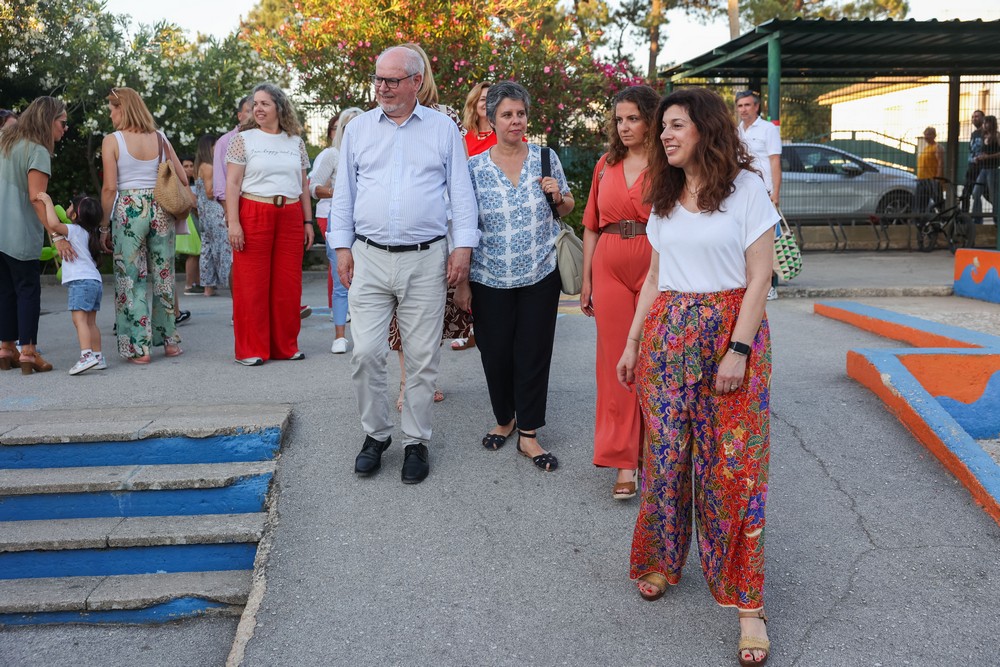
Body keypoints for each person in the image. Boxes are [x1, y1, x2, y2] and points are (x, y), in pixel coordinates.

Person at [616, 87, 777, 666]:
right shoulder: (662, 196)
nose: (664, 135)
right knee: (667, 456)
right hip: (668, 337)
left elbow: (762, 276)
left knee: (734, 469)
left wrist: (737, 349)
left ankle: (748, 607)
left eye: (675, 125)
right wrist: (634, 341)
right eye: (663, 128)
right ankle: (661, 558)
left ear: (706, 129)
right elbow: (656, 278)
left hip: (730, 335)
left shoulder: (746, 190)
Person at [330, 45, 479, 485]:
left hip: (426, 258)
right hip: (369, 257)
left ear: (416, 81)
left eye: (392, 80)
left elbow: (461, 193)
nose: (382, 87)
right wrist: (341, 248)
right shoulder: (357, 129)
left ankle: (416, 441)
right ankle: (376, 436)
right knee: (365, 352)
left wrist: (463, 248)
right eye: (377, 79)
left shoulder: (442, 128)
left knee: (420, 358)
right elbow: (344, 195)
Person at [460, 80, 573, 472]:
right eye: (507, 114)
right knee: (495, 354)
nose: (515, 121)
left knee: (534, 353)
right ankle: (504, 417)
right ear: (491, 119)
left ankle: (528, 432)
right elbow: (462, 225)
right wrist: (460, 283)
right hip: (488, 276)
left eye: (520, 113)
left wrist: (559, 194)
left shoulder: (545, 158)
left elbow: (567, 207)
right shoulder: (472, 168)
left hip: (540, 273)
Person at [384, 42, 474, 406]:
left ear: (418, 77)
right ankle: (408, 380)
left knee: (432, 313)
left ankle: (426, 376)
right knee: (399, 315)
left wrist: (461, 240)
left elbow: (458, 179)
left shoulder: (446, 117)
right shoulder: (384, 116)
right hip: (392, 235)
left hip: (439, 230)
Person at [580, 85, 658, 499]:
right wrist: (587, 279)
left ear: (650, 120)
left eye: (633, 118)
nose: (624, 127)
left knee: (652, 358)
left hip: (655, 265)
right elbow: (591, 223)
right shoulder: (605, 164)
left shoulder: (668, 165)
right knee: (615, 364)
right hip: (608, 263)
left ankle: (654, 450)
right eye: (620, 119)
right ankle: (623, 461)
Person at [225, 82, 314, 366]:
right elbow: (232, 183)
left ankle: (285, 346)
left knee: (288, 284)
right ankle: (251, 349)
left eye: (265, 103)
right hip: (254, 210)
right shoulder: (244, 139)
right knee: (251, 284)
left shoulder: (295, 142)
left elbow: (303, 185)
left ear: (279, 107)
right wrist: (233, 223)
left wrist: (308, 222)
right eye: (255, 104)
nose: (258, 108)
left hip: (289, 214)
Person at [100, 87, 185, 364]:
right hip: (161, 207)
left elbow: (110, 187)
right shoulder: (160, 138)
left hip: (129, 210)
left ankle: (140, 349)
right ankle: (170, 342)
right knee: (164, 276)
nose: (110, 114)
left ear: (122, 108)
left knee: (131, 279)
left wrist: (104, 225)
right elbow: (182, 176)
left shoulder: (112, 141)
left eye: (112, 108)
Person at [0, 96, 71, 374]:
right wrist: (56, 235)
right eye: (62, 123)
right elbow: (37, 198)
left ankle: (6, 348)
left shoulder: (6, 141)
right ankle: (28, 351)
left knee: (4, 291)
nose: (64, 129)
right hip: (19, 234)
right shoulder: (37, 150)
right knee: (28, 290)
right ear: (48, 120)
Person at [35, 192, 107, 375]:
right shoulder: (90, 233)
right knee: (91, 322)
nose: (66, 208)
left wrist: (48, 201)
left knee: (79, 320)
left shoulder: (73, 230)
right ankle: (98, 357)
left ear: (75, 215)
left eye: (70, 206)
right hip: (94, 281)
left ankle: (86, 356)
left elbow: (53, 224)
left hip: (81, 282)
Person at [312, 108, 363, 354]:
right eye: (347, 126)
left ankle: (367, 336)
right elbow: (313, 187)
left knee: (369, 281)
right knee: (341, 277)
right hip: (339, 216)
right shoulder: (333, 154)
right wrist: (340, 192)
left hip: (367, 221)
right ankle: (340, 336)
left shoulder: (373, 151)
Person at [735, 90, 781, 301]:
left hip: (765, 193)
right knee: (745, 240)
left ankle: (770, 285)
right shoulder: (737, 132)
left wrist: (776, 194)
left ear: (756, 107)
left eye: (747, 105)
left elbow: (774, 161)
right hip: (743, 193)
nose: (743, 109)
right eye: (740, 105)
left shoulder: (768, 129)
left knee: (767, 240)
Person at [192, 134, 231, 297]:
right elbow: (210, 192)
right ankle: (229, 281)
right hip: (214, 211)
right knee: (224, 247)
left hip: (203, 213)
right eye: (215, 146)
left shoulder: (199, 166)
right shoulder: (209, 166)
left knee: (207, 248)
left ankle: (208, 287)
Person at [179, 155, 203, 294]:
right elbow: (193, 202)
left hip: (194, 218)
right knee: (193, 253)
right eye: (185, 166)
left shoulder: (195, 183)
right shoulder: (183, 184)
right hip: (188, 219)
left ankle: (197, 283)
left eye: (191, 166)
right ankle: (189, 285)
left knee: (198, 252)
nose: (188, 169)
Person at [971, 114, 999, 230]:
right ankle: (977, 219)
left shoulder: (997, 136)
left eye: (987, 122)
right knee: (976, 193)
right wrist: (979, 157)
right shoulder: (984, 136)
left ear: (992, 124)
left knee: (994, 196)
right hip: (983, 169)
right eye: (984, 123)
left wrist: (988, 157)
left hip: (993, 169)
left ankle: (997, 220)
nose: (985, 125)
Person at [914, 125, 943, 214]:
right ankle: (921, 223)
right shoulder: (926, 148)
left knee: (938, 202)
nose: (926, 137)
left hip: (932, 180)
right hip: (921, 180)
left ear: (934, 135)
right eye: (925, 135)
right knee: (920, 204)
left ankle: (946, 218)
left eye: (928, 135)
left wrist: (938, 179)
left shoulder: (937, 147)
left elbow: (940, 163)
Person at [462, 82, 495, 158]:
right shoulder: (462, 136)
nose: (487, 103)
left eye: (491, 100)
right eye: (483, 99)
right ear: (473, 103)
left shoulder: (505, 134)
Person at [962, 110, 985, 212]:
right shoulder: (973, 134)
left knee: (986, 194)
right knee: (965, 194)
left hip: (982, 168)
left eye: (977, 116)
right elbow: (971, 150)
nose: (974, 119)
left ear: (983, 118)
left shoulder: (986, 133)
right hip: (971, 168)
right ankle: (964, 217)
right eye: (973, 117)